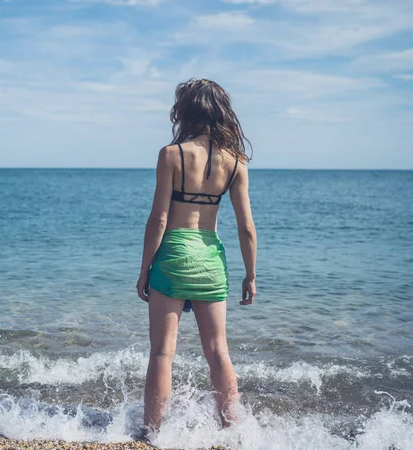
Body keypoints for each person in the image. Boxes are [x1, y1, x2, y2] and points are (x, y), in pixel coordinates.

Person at [136, 78, 257, 436]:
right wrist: (250, 275)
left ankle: (152, 433)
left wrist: (145, 269)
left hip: (173, 254)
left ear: (185, 111)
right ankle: (232, 429)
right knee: (218, 351)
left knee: (161, 353)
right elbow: (246, 227)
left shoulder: (171, 155)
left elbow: (159, 218)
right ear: (223, 112)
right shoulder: (236, 163)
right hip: (210, 259)